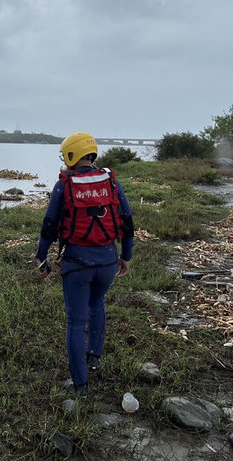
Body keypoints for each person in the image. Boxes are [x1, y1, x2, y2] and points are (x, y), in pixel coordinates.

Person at [35, 132, 134, 395]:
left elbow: (49, 225)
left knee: (76, 323)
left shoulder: (65, 185)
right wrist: (126, 256)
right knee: (97, 304)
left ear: (71, 155)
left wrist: (42, 256)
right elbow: (127, 219)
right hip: (107, 262)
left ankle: (80, 384)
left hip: (77, 264)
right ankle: (94, 357)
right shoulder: (111, 182)